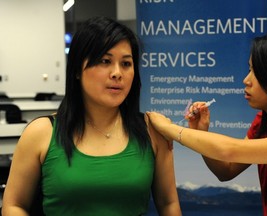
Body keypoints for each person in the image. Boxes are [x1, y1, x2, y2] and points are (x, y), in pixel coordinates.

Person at [2, 16, 181, 216]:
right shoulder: (41, 133)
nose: (117, 73)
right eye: (105, 61)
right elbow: (14, 206)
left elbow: (168, 204)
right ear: (78, 69)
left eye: (126, 64)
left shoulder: (152, 131)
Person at [147, 32, 267, 216]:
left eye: (257, 72)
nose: (246, 80)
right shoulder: (264, 121)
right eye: (249, 69)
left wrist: (169, 128)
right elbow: (226, 170)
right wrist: (202, 131)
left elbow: (229, 150)